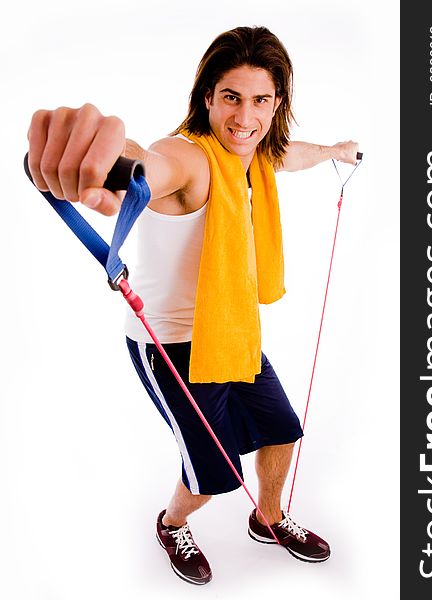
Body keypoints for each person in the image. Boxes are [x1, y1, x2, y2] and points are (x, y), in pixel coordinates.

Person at [27, 26, 359, 586]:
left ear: (277, 105)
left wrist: (334, 152)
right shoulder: (191, 159)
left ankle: (269, 517)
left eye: (261, 101)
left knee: (283, 432)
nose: (245, 117)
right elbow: (148, 168)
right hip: (172, 345)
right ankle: (171, 522)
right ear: (207, 97)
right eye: (231, 97)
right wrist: (108, 165)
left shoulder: (253, 157)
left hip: (230, 331)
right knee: (211, 475)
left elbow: (287, 155)